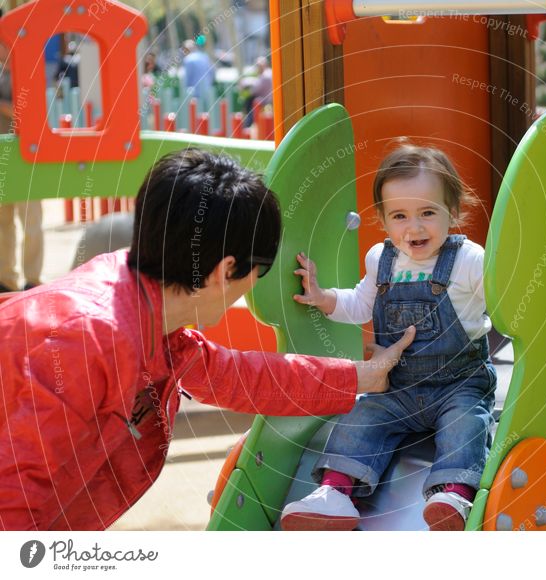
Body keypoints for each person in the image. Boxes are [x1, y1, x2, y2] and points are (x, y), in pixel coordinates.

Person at [0, 148, 415, 530]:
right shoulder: (82, 342)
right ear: (225, 270)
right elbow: (16, 502)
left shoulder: (144, 307)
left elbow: (241, 376)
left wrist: (365, 376)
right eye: (261, 271)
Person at [280, 144, 495, 531]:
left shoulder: (470, 260)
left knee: (467, 423)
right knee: (360, 418)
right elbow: (361, 304)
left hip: (459, 383)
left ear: (453, 211)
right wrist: (323, 297)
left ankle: (453, 495)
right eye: (399, 216)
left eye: (428, 213)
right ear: (383, 219)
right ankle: (336, 493)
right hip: (397, 387)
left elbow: (504, 302)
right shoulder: (382, 259)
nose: (414, 228)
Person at [0, 41, 43, 293]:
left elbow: (26, 111)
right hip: (4, 153)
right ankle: (6, 278)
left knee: (31, 219)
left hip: (25, 153)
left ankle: (32, 278)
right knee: (3, 219)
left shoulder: (23, 71)